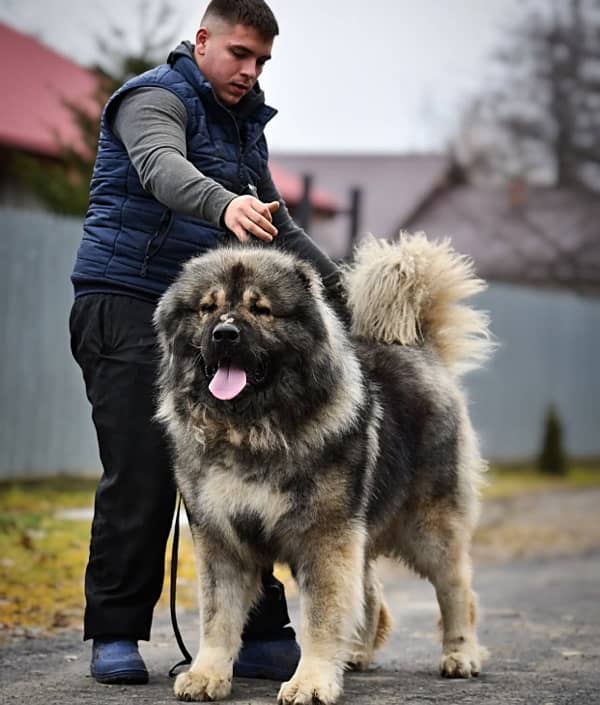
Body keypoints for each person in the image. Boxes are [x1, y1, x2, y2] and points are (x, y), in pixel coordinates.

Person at [69, 0, 347, 686]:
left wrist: (345, 295)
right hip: (127, 302)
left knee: (236, 472)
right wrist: (224, 203)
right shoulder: (150, 100)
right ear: (202, 41)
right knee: (143, 470)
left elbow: (277, 227)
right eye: (239, 55)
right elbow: (162, 169)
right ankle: (114, 630)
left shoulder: (243, 127)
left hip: (210, 319)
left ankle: (255, 632)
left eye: (262, 62)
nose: (250, 72)